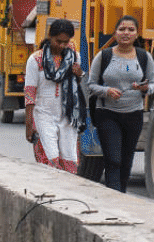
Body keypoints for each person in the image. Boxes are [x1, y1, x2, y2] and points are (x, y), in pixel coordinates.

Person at [87, 15, 152, 192]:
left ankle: (119, 196)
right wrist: (107, 91)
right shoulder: (104, 56)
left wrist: (145, 88)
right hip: (107, 113)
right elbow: (91, 85)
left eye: (131, 30)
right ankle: (113, 196)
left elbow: (152, 84)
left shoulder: (144, 57)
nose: (126, 33)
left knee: (126, 161)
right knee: (113, 159)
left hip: (134, 115)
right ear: (115, 33)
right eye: (122, 29)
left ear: (137, 34)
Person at [24, 19, 87, 173]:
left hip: (68, 116)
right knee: (49, 159)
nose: (62, 46)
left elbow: (76, 85)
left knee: (69, 159)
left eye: (66, 42)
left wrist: (79, 74)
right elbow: (30, 93)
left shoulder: (74, 57)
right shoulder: (35, 60)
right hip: (43, 114)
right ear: (50, 37)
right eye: (58, 41)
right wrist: (29, 124)